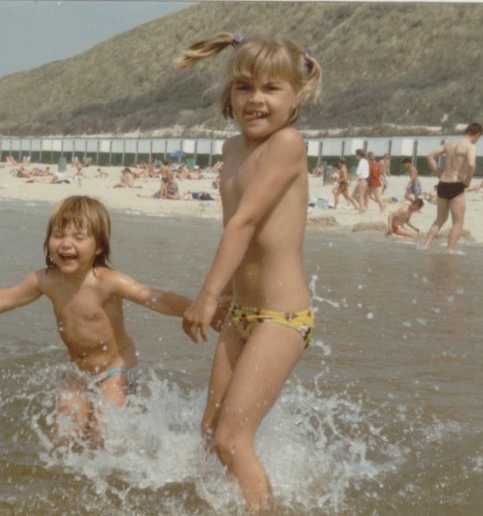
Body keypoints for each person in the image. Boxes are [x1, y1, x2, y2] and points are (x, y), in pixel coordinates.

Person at [0, 196, 223, 444]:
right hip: (77, 372)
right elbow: (3, 299)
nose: (66, 244)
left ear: (99, 246)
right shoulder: (46, 280)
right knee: (63, 437)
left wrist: (199, 310)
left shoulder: (108, 282)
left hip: (115, 372)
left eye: (79, 237)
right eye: (58, 235)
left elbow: (153, 296)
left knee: (102, 435)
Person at [175, 32, 321, 512]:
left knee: (233, 441)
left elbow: (245, 222)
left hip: (282, 318)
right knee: (209, 433)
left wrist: (206, 293)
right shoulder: (231, 148)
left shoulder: (288, 144)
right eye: (244, 87)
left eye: (271, 89)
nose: (256, 99)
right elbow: (232, 223)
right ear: (228, 95)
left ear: (295, 97)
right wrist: (224, 300)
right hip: (242, 314)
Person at [423, 122, 483, 253]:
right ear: (477, 135)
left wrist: (439, 173)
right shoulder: (470, 146)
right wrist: (467, 181)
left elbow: (430, 156)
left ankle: (425, 246)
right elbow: (472, 165)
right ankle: (449, 251)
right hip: (456, 184)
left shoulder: (449, 144)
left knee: (440, 219)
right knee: (457, 222)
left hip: (443, 183)